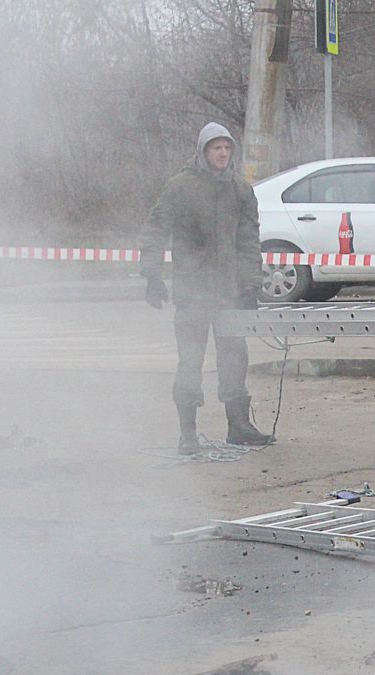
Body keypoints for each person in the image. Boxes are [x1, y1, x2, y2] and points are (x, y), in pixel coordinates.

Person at [137, 122, 273, 453]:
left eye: (227, 148)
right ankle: (187, 434)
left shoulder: (241, 191)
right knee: (191, 361)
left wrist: (251, 284)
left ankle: (238, 427)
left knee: (234, 358)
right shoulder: (180, 187)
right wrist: (152, 274)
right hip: (192, 292)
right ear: (203, 151)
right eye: (216, 148)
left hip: (229, 292)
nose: (223, 154)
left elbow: (248, 241)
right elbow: (155, 229)